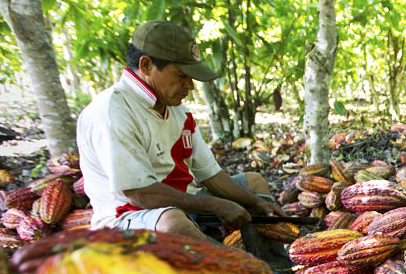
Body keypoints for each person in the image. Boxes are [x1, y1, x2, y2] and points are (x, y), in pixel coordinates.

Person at [77, 20, 284, 238]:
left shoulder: (178, 112)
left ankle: (275, 267)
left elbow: (211, 174)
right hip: (129, 217)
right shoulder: (113, 111)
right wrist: (214, 205)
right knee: (173, 222)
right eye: (181, 75)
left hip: (186, 204)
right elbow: (139, 194)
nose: (190, 85)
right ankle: (235, 267)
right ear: (146, 65)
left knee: (254, 184)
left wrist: (256, 202)